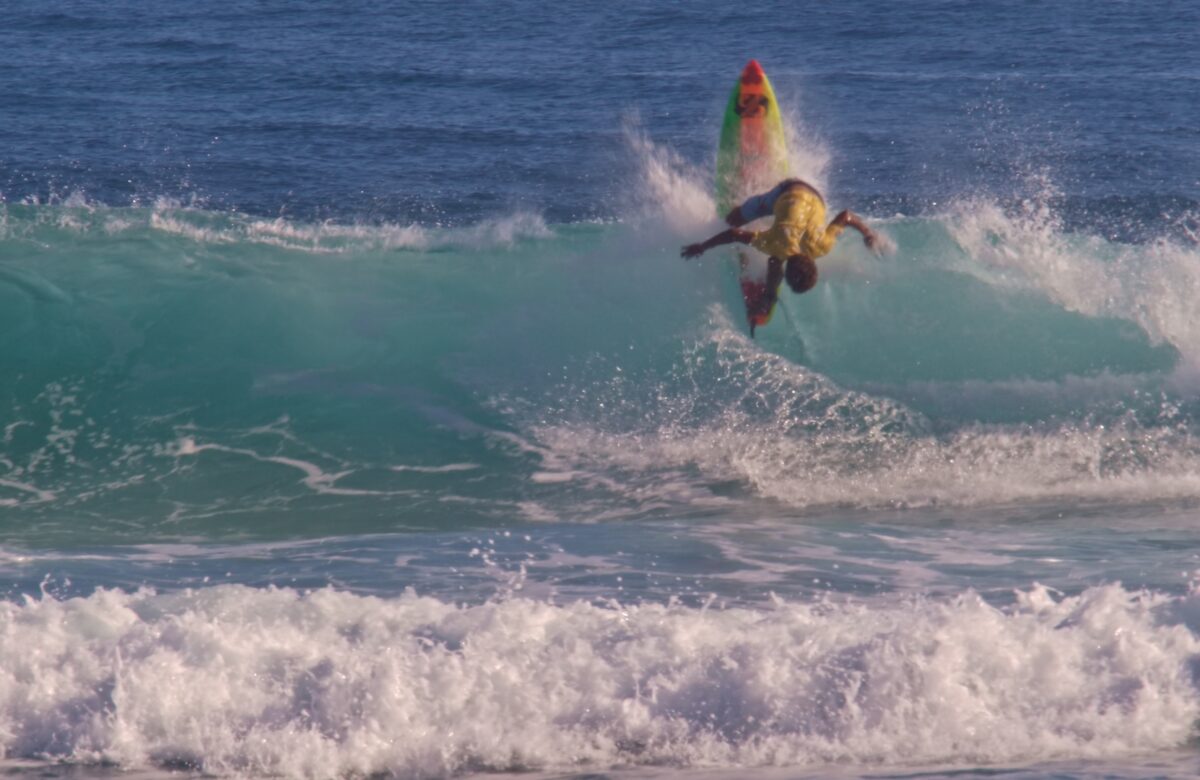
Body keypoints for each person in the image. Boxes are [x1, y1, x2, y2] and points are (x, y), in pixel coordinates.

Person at [681, 178, 878, 332]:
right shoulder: (776, 245)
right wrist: (702, 246)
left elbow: (845, 216)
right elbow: (734, 234)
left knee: (774, 257)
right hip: (786, 189)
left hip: (812, 195)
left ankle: (769, 295)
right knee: (733, 220)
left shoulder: (822, 247)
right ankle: (769, 295)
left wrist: (868, 234)